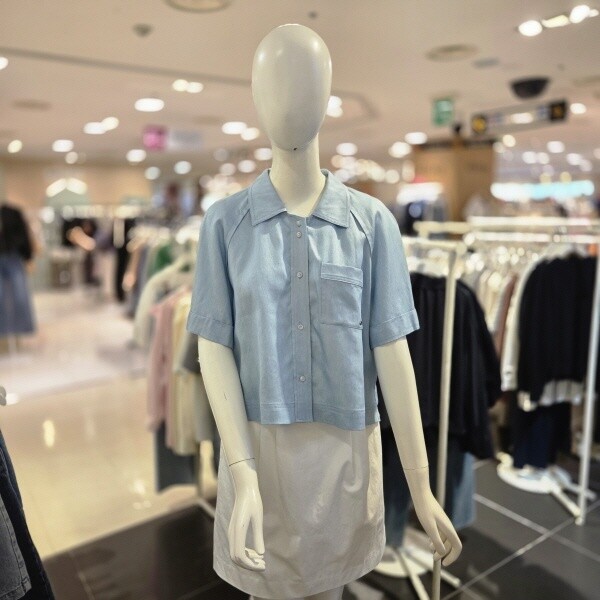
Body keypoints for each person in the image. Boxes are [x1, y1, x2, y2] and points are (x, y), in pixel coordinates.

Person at [187, 24, 461, 600]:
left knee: (332, 590)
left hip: (344, 460)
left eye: (307, 83)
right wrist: (241, 474)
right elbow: (213, 349)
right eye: (276, 83)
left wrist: (421, 486)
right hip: (259, 459)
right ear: (255, 96)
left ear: (329, 96)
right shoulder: (225, 224)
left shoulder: (372, 223)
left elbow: (393, 353)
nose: (291, 100)